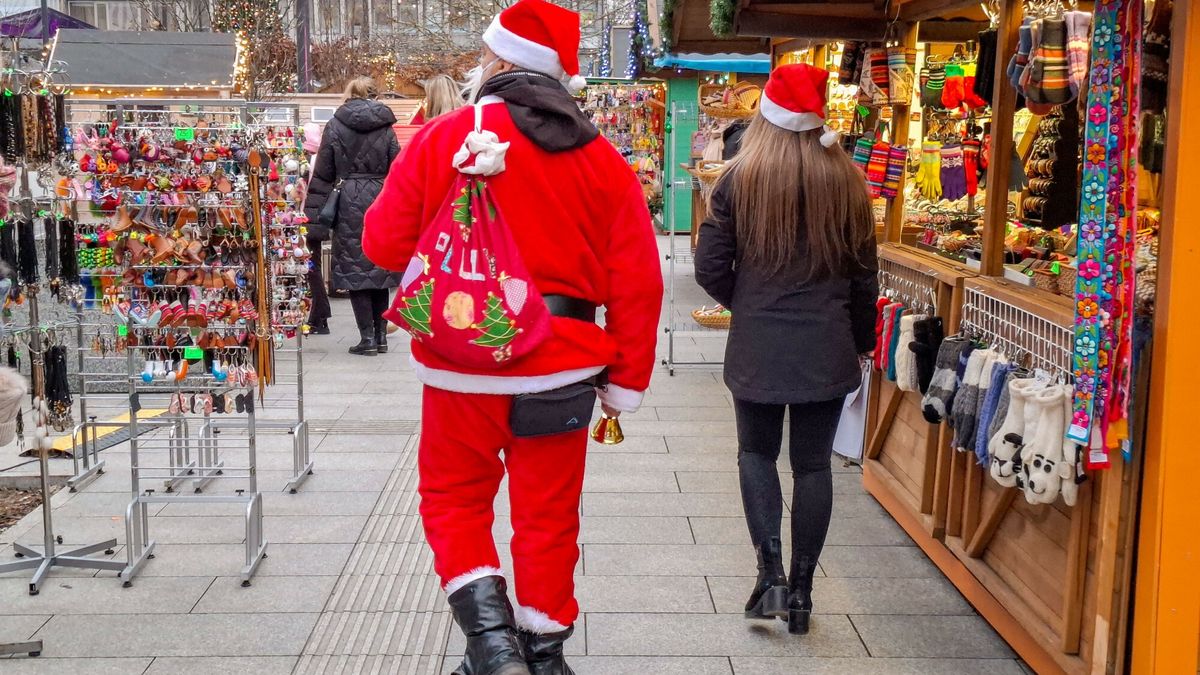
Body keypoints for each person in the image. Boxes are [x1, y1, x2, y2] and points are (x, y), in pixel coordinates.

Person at [362, 1, 662, 672]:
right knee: (549, 514)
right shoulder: (602, 158)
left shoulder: (442, 138)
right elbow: (639, 280)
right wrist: (626, 382)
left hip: (458, 366)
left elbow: (380, 242)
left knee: (453, 497)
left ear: (496, 62)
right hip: (562, 365)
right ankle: (544, 648)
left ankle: (492, 647)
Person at [694, 63, 879, 636]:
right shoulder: (847, 182)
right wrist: (863, 342)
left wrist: (747, 301)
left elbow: (709, 268)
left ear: (765, 116)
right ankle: (801, 592)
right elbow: (863, 277)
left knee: (756, 454)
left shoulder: (737, 180)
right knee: (814, 464)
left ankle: (769, 572)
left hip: (757, 346)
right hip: (827, 345)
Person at [304, 76, 402, 355]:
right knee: (379, 267)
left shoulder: (336, 125)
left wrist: (312, 219)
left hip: (348, 199)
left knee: (354, 268)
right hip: (382, 198)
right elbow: (398, 165)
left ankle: (367, 338)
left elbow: (323, 173)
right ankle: (382, 336)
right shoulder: (386, 126)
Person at [300, 121, 332, 335]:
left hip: (307, 222)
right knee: (313, 267)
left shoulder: (307, 163)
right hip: (317, 221)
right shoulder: (321, 159)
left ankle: (320, 316)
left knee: (311, 269)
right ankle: (319, 317)